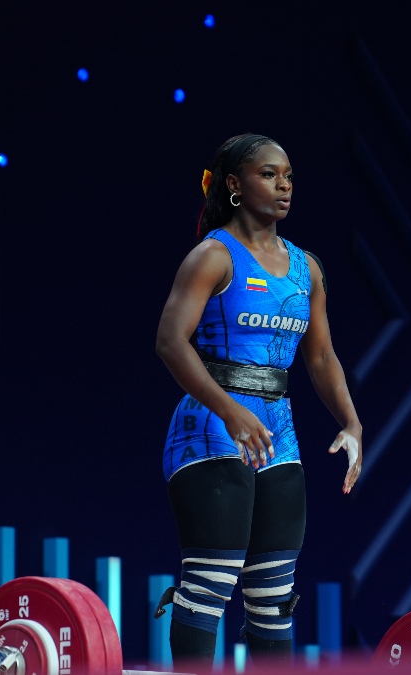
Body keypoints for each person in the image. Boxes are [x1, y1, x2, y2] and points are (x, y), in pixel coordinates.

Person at [154, 133, 363, 670]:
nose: (283, 185)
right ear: (234, 185)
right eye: (269, 175)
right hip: (210, 428)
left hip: (277, 433)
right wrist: (229, 410)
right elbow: (170, 342)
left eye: (288, 176)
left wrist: (351, 422)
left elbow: (321, 357)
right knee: (209, 584)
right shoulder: (213, 256)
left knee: (273, 598)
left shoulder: (306, 268)